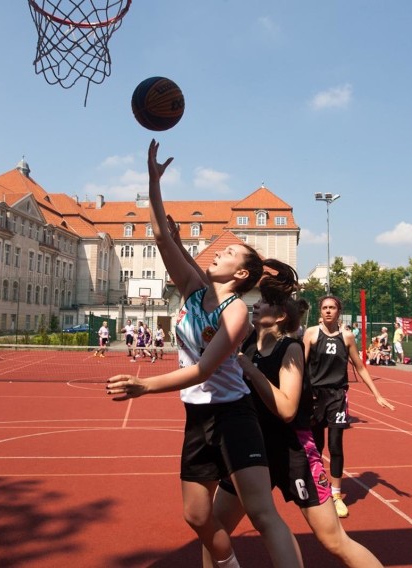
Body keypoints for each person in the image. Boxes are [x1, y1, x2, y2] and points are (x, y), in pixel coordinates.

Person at [106, 140, 303, 568]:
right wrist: (154, 183)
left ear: (243, 273)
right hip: (197, 417)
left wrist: (144, 385)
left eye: (229, 252)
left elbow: (203, 369)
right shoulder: (194, 292)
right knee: (196, 515)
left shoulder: (238, 316)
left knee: (263, 513)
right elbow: (160, 236)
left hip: (234, 416)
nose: (219, 252)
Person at [205, 262, 383, 568]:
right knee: (213, 529)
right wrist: (173, 242)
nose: (256, 305)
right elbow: (209, 291)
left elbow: (287, 409)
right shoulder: (246, 340)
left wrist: (249, 369)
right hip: (251, 451)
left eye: (264, 303)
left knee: (334, 540)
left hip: (293, 452)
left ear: (281, 315)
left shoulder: (290, 350)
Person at [304, 296, 395, 518]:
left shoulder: (346, 337)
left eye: (332, 308)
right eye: (324, 307)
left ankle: (336, 495)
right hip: (315, 397)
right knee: (315, 446)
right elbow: (300, 365)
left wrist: (377, 394)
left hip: (337, 396)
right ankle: (317, 487)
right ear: (320, 311)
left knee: (335, 445)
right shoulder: (311, 334)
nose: (328, 311)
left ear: (339, 311)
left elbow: (360, 367)